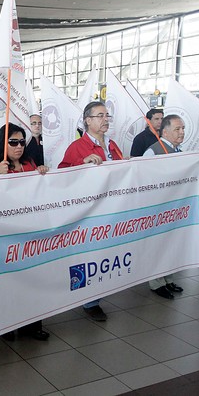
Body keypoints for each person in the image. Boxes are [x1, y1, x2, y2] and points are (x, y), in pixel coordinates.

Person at [0, 123, 49, 340]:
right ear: (3, 143)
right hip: (6, 236)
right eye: (13, 142)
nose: (19, 146)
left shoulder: (30, 164)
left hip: (30, 233)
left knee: (33, 280)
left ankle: (32, 325)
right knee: (8, 284)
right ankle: (6, 326)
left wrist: (42, 173)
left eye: (22, 142)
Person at [58, 101, 123, 321]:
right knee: (87, 253)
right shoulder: (77, 147)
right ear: (88, 120)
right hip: (88, 212)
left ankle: (98, 292)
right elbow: (62, 174)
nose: (106, 120)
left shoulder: (112, 145)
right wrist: (81, 162)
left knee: (105, 252)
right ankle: (88, 300)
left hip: (111, 208)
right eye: (100, 116)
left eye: (107, 116)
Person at [143, 115, 199, 299]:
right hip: (158, 207)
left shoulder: (180, 151)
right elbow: (147, 178)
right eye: (178, 129)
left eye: (183, 128)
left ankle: (168, 278)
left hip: (175, 208)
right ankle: (156, 282)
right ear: (165, 131)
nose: (182, 132)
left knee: (172, 244)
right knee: (158, 246)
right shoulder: (153, 151)